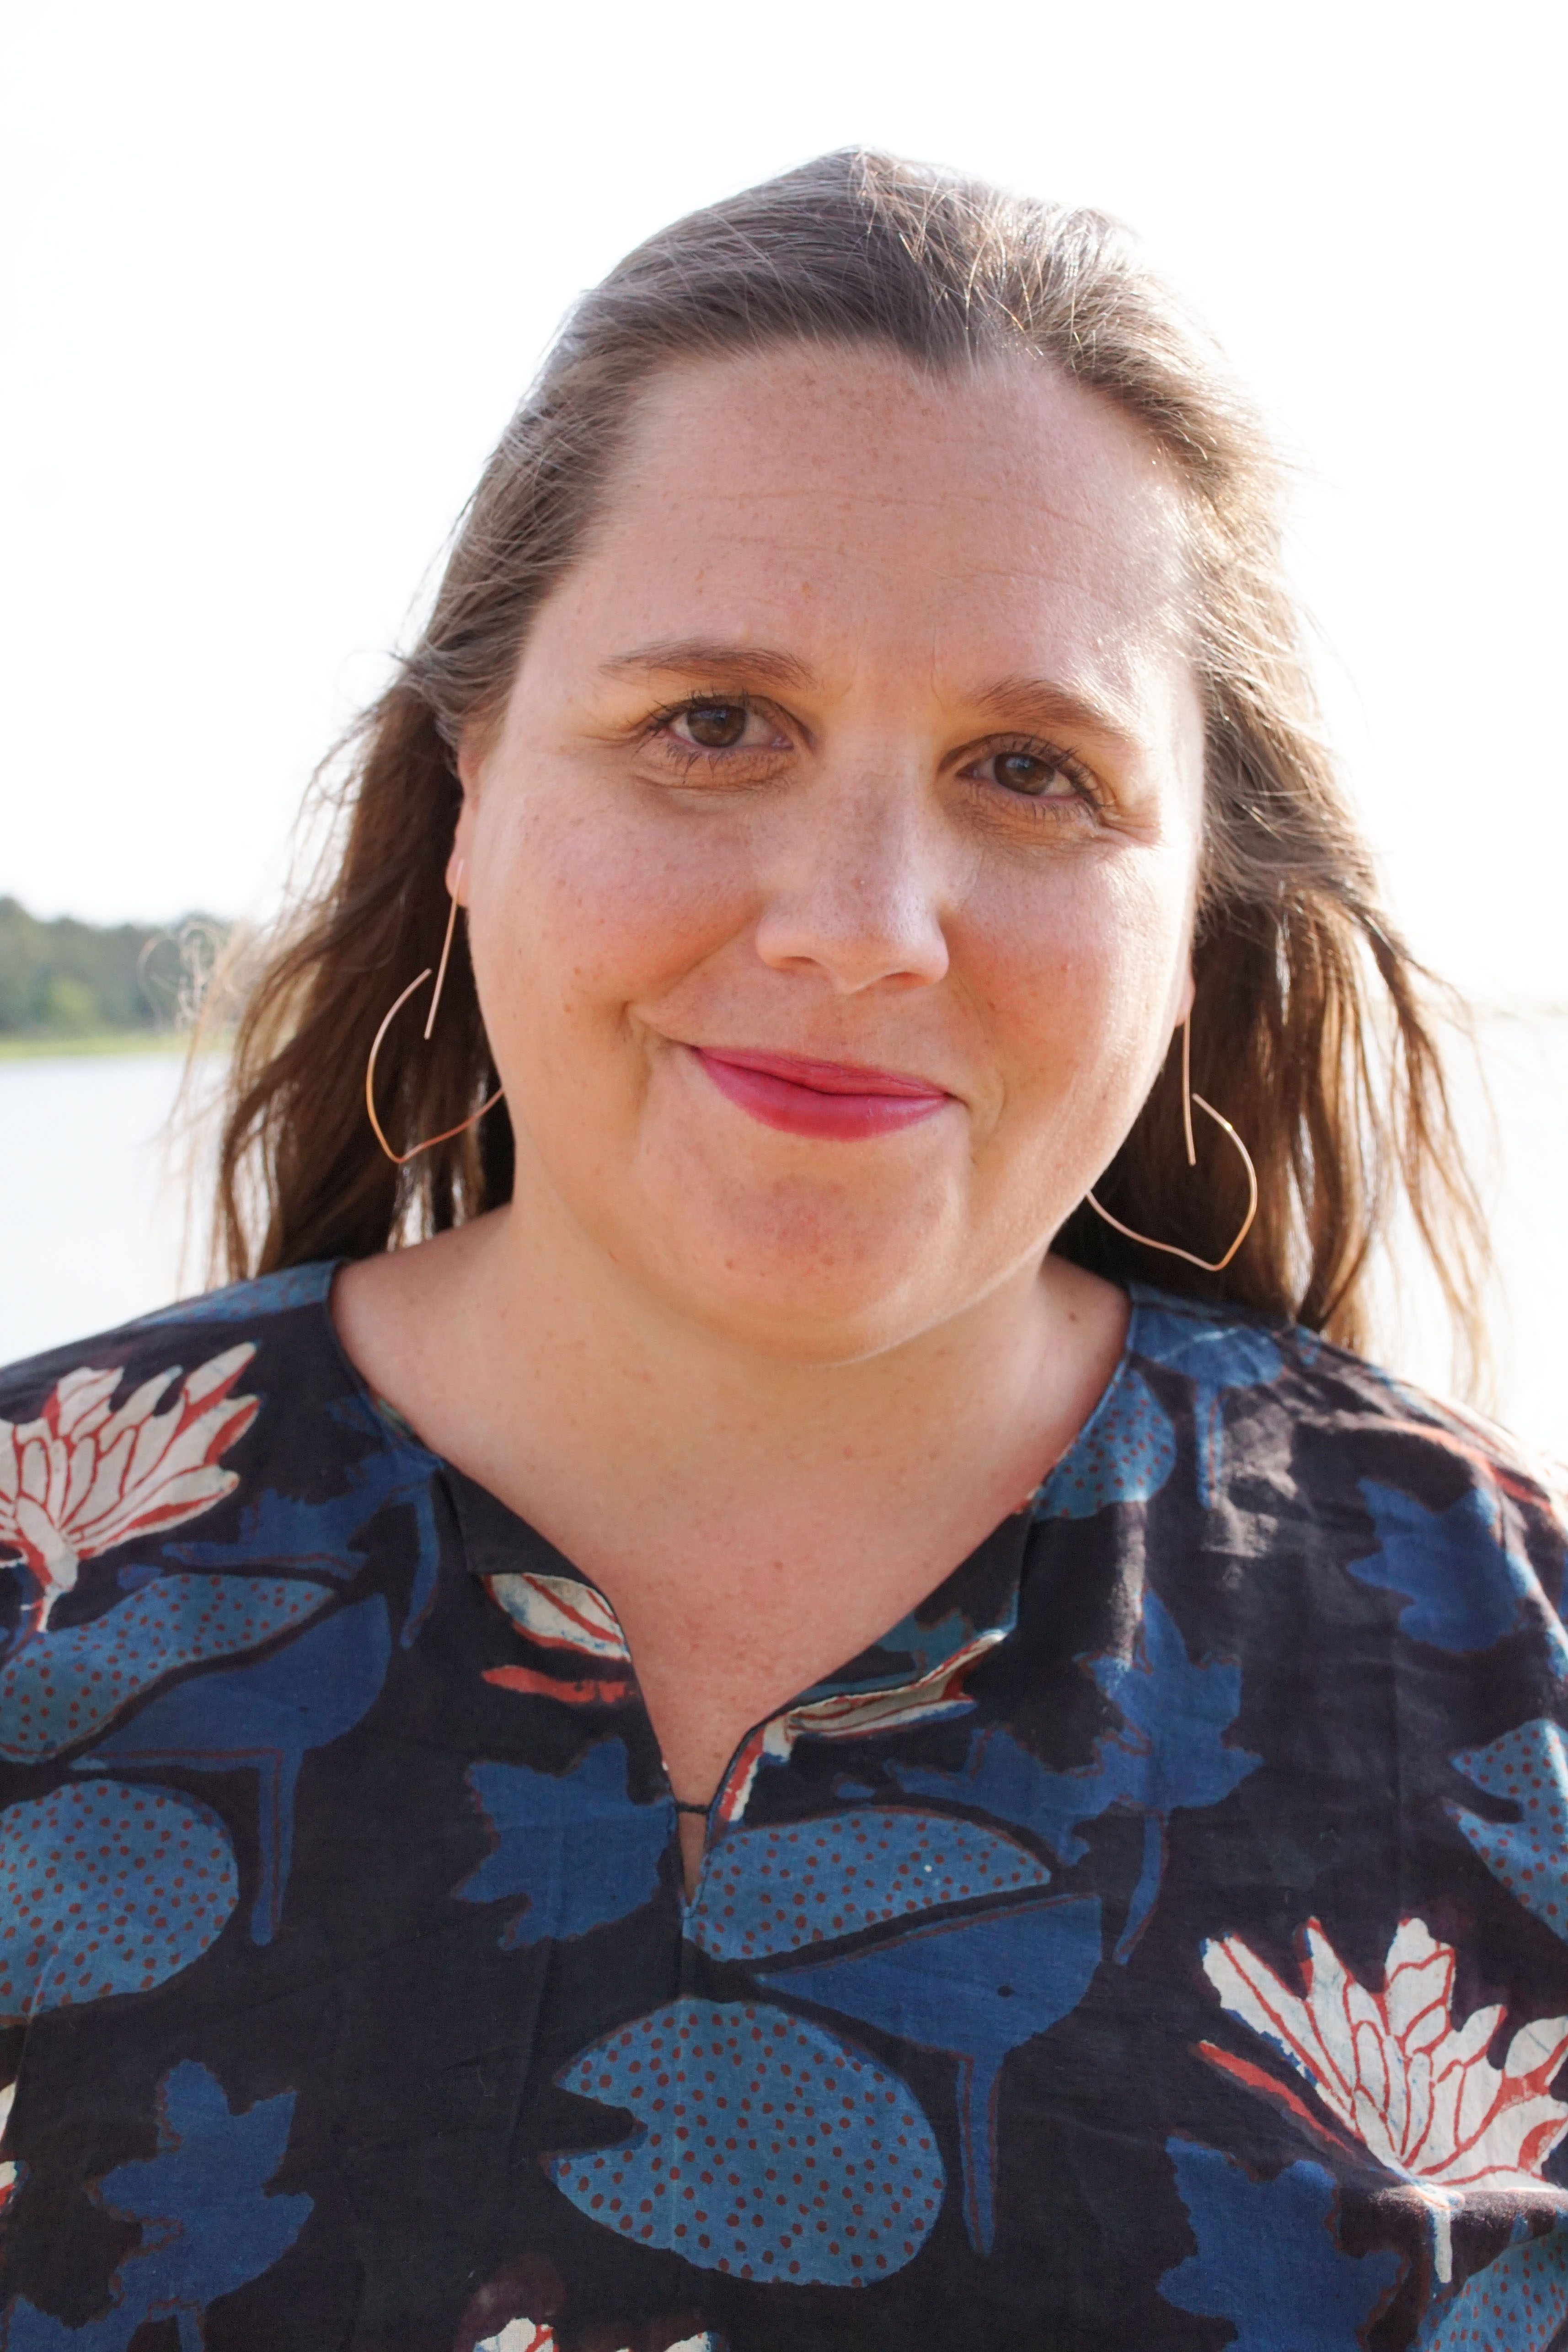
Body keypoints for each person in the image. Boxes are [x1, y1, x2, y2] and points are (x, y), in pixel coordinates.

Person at [0, 151, 1563, 2352]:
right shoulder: (28, 1572)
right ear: (472, 794)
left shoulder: (1521, 1672)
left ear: (1196, 898)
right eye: (712, 725)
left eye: (1034, 768)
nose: (858, 922)